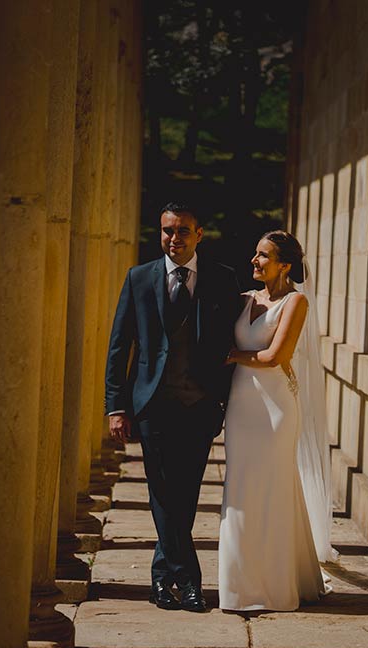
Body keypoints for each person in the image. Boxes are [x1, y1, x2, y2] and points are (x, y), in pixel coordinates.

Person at [104, 202, 241, 612]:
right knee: (164, 492)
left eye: (182, 231)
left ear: (199, 234)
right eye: (167, 231)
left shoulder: (222, 279)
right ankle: (188, 582)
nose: (173, 238)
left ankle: (162, 580)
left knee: (186, 493)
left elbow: (234, 342)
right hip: (152, 406)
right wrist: (116, 407)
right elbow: (119, 346)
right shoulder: (139, 278)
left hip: (200, 406)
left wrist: (227, 400)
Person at [219, 230, 337, 612]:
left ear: (285, 264)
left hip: (275, 409)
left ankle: (274, 585)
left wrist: (232, 354)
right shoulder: (242, 300)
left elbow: (274, 356)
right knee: (239, 491)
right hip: (240, 407)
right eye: (255, 254)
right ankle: (238, 587)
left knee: (272, 490)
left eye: (264, 256)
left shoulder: (295, 302)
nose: (255, 261)